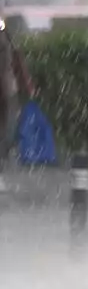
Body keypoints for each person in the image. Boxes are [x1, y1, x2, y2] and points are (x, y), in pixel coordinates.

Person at [0, 20, 34, 192]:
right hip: (6, 88)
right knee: (5, 129)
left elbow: (16, 59)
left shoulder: (5, 31)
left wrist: (25, 83)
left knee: (7, 129)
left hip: (7, 88)